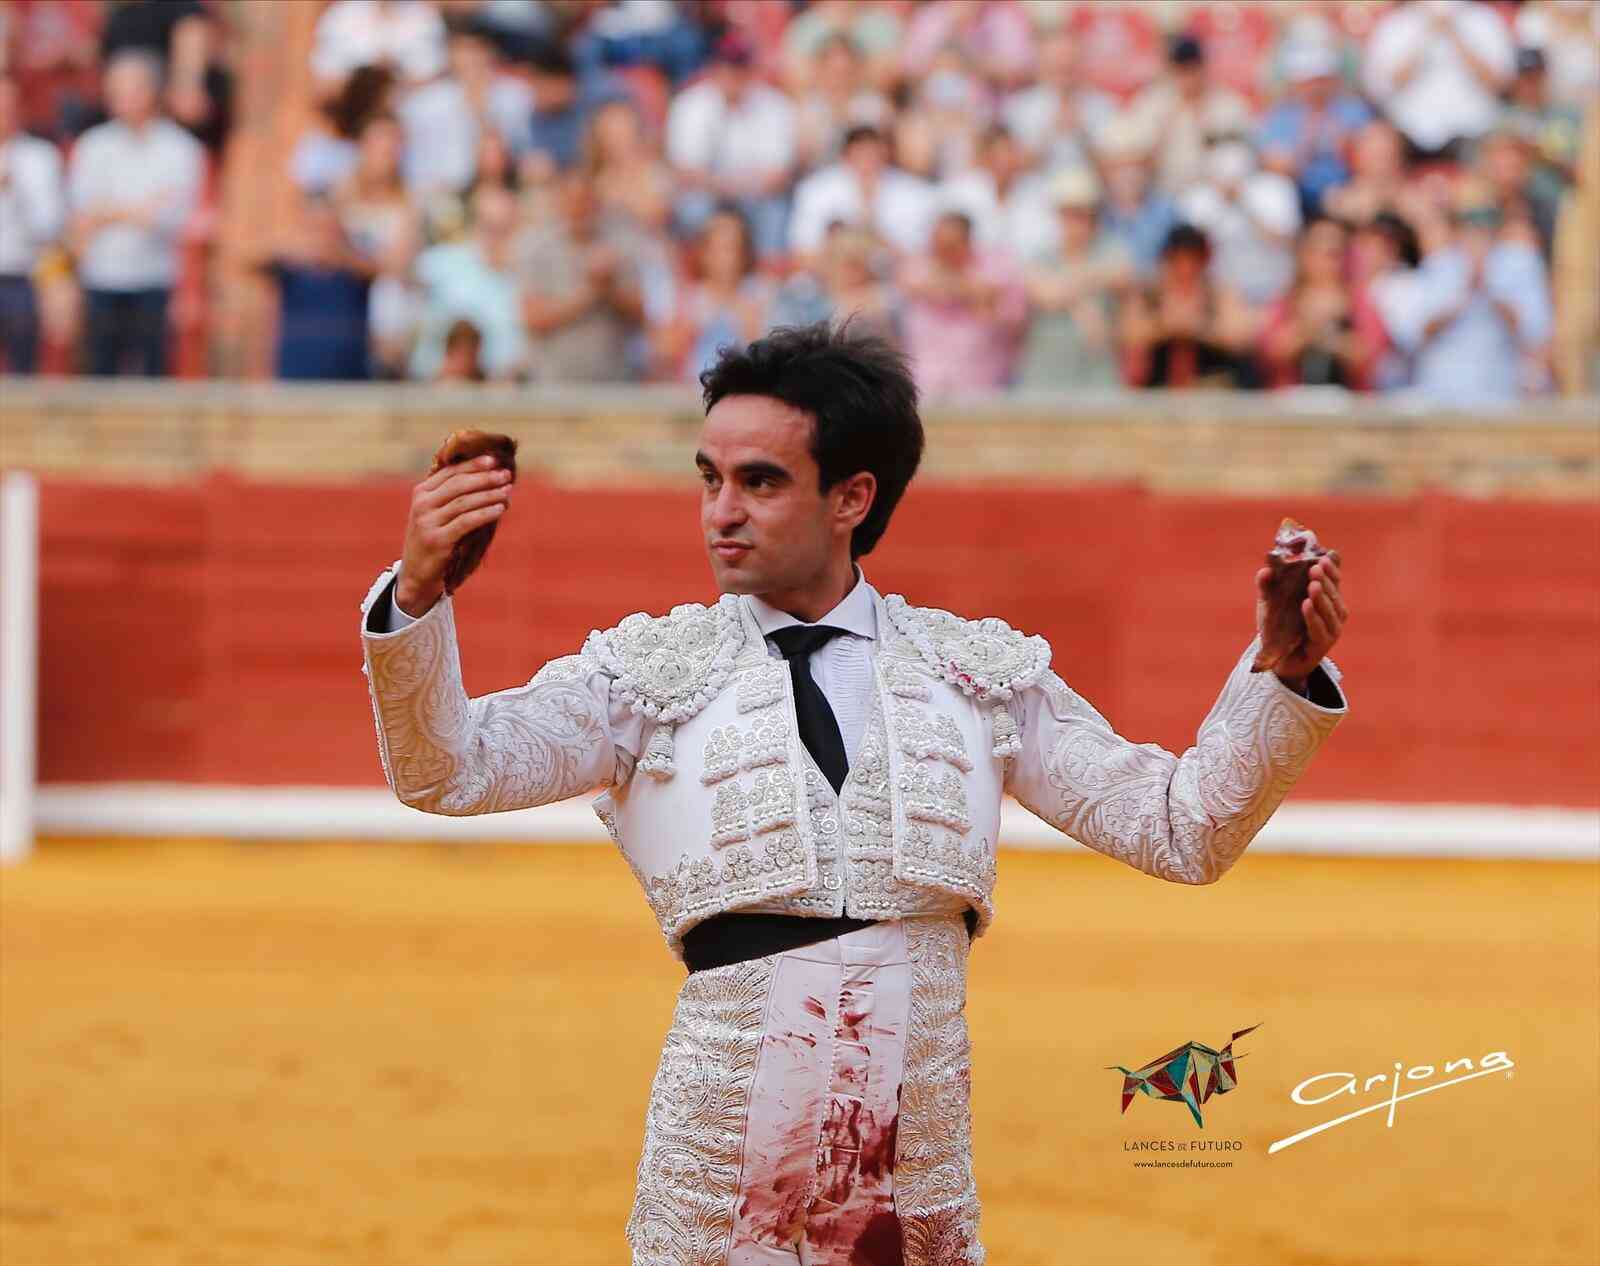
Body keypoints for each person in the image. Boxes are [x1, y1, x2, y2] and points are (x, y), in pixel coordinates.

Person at [355, 319, 1350, 1262]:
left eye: (759, 481)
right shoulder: (641, 677)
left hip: (915, 1158)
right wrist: (418, 597)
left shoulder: (976, 675)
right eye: (708, 478)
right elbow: (450, 771)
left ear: (851, 498)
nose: (721, 511)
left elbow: (1179, 829)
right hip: (719, 1152)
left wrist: (1280, 676)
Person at [65, 49, 204, 376]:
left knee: (153, 377)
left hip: (154, 278)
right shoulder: (93, 145)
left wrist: (111, 213)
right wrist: (138, 210)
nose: (121, 98)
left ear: (152, 91)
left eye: (129, 89)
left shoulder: (181, 148)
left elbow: (174, 216)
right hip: (101, 276)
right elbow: (83, 213)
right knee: (99, 374)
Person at [1016, 167, 1132, 389]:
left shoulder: (1112, 248)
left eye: (1084, 213)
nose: (1078, 221)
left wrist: (1068, 284)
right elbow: (1046, 295)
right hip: (1046, 373)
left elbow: (1122, 275)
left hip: (1097, 372)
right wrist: (1083, 305)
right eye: (1071, 213)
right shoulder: (1041, 253)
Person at [897, 208, 1027, 395]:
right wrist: (970, 290)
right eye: (937, 243)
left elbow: (1014, 317)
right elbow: (915, 283)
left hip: (981, 383)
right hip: (926, 384)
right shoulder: (919, 265)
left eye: (950, 245)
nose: (942, 252)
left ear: (967, 242)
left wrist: (974, 292)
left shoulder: (995, 264)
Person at [0, 74, 65, 374]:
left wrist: (16, 189)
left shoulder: (41, 157)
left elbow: (49, 226)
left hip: (24, 278)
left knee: (23, 372)